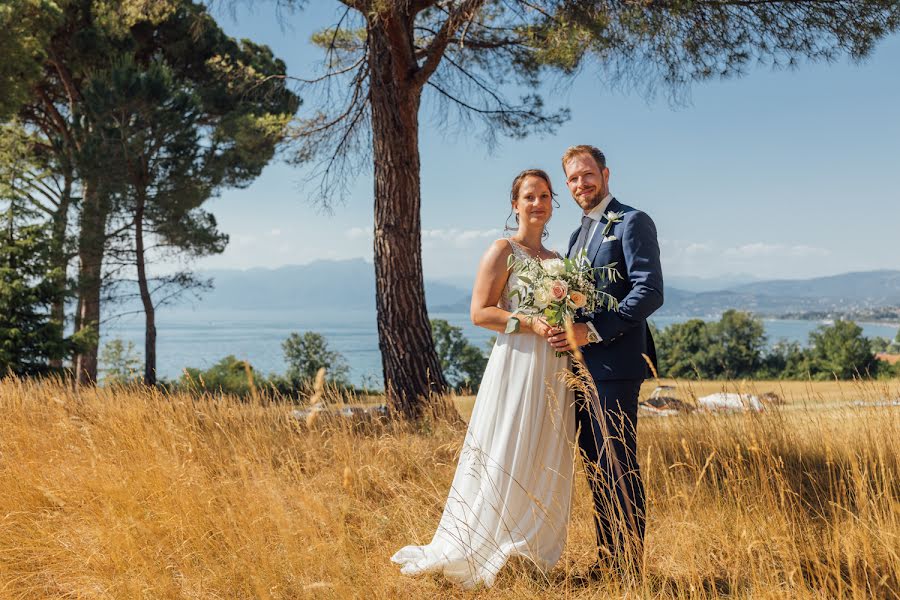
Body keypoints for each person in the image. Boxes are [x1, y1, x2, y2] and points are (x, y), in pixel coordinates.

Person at [391, 169, 576, 588]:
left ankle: (527, 550)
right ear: (515, 204)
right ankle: (482, 542)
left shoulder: (560, 262)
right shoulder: (502, 250)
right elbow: (481, 313)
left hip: (555, 365)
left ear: (552, 204)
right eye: (529, 196)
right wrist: (530, 323)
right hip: (516, 363)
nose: (537, 203)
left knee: (543, 452)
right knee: (506, 447)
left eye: (545, 196)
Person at [546, 145, 664, 578]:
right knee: (596, 464)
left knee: (618, 461)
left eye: (587, 175)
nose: (581, 184)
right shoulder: (578, 236)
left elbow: (649, 290)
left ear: (605, 173)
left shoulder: (632, 221)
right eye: (573, 179)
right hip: (582, 369)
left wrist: (592, 331)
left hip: (616, 365)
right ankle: (609, 560)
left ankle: (630, 569)